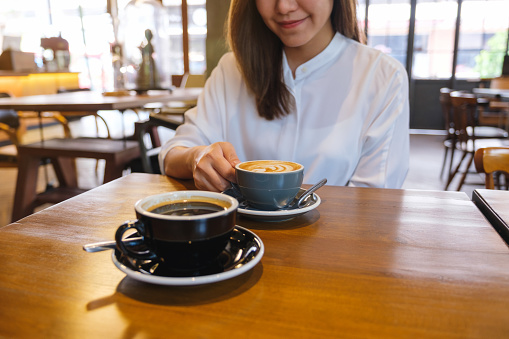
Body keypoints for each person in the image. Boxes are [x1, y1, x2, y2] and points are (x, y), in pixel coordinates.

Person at [159, 0, 409, 192]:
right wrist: (196, 158)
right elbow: (173, 153)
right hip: (240, 245)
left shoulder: (382, 76)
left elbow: (374, 202)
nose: (284, 7)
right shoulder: (231, 69)